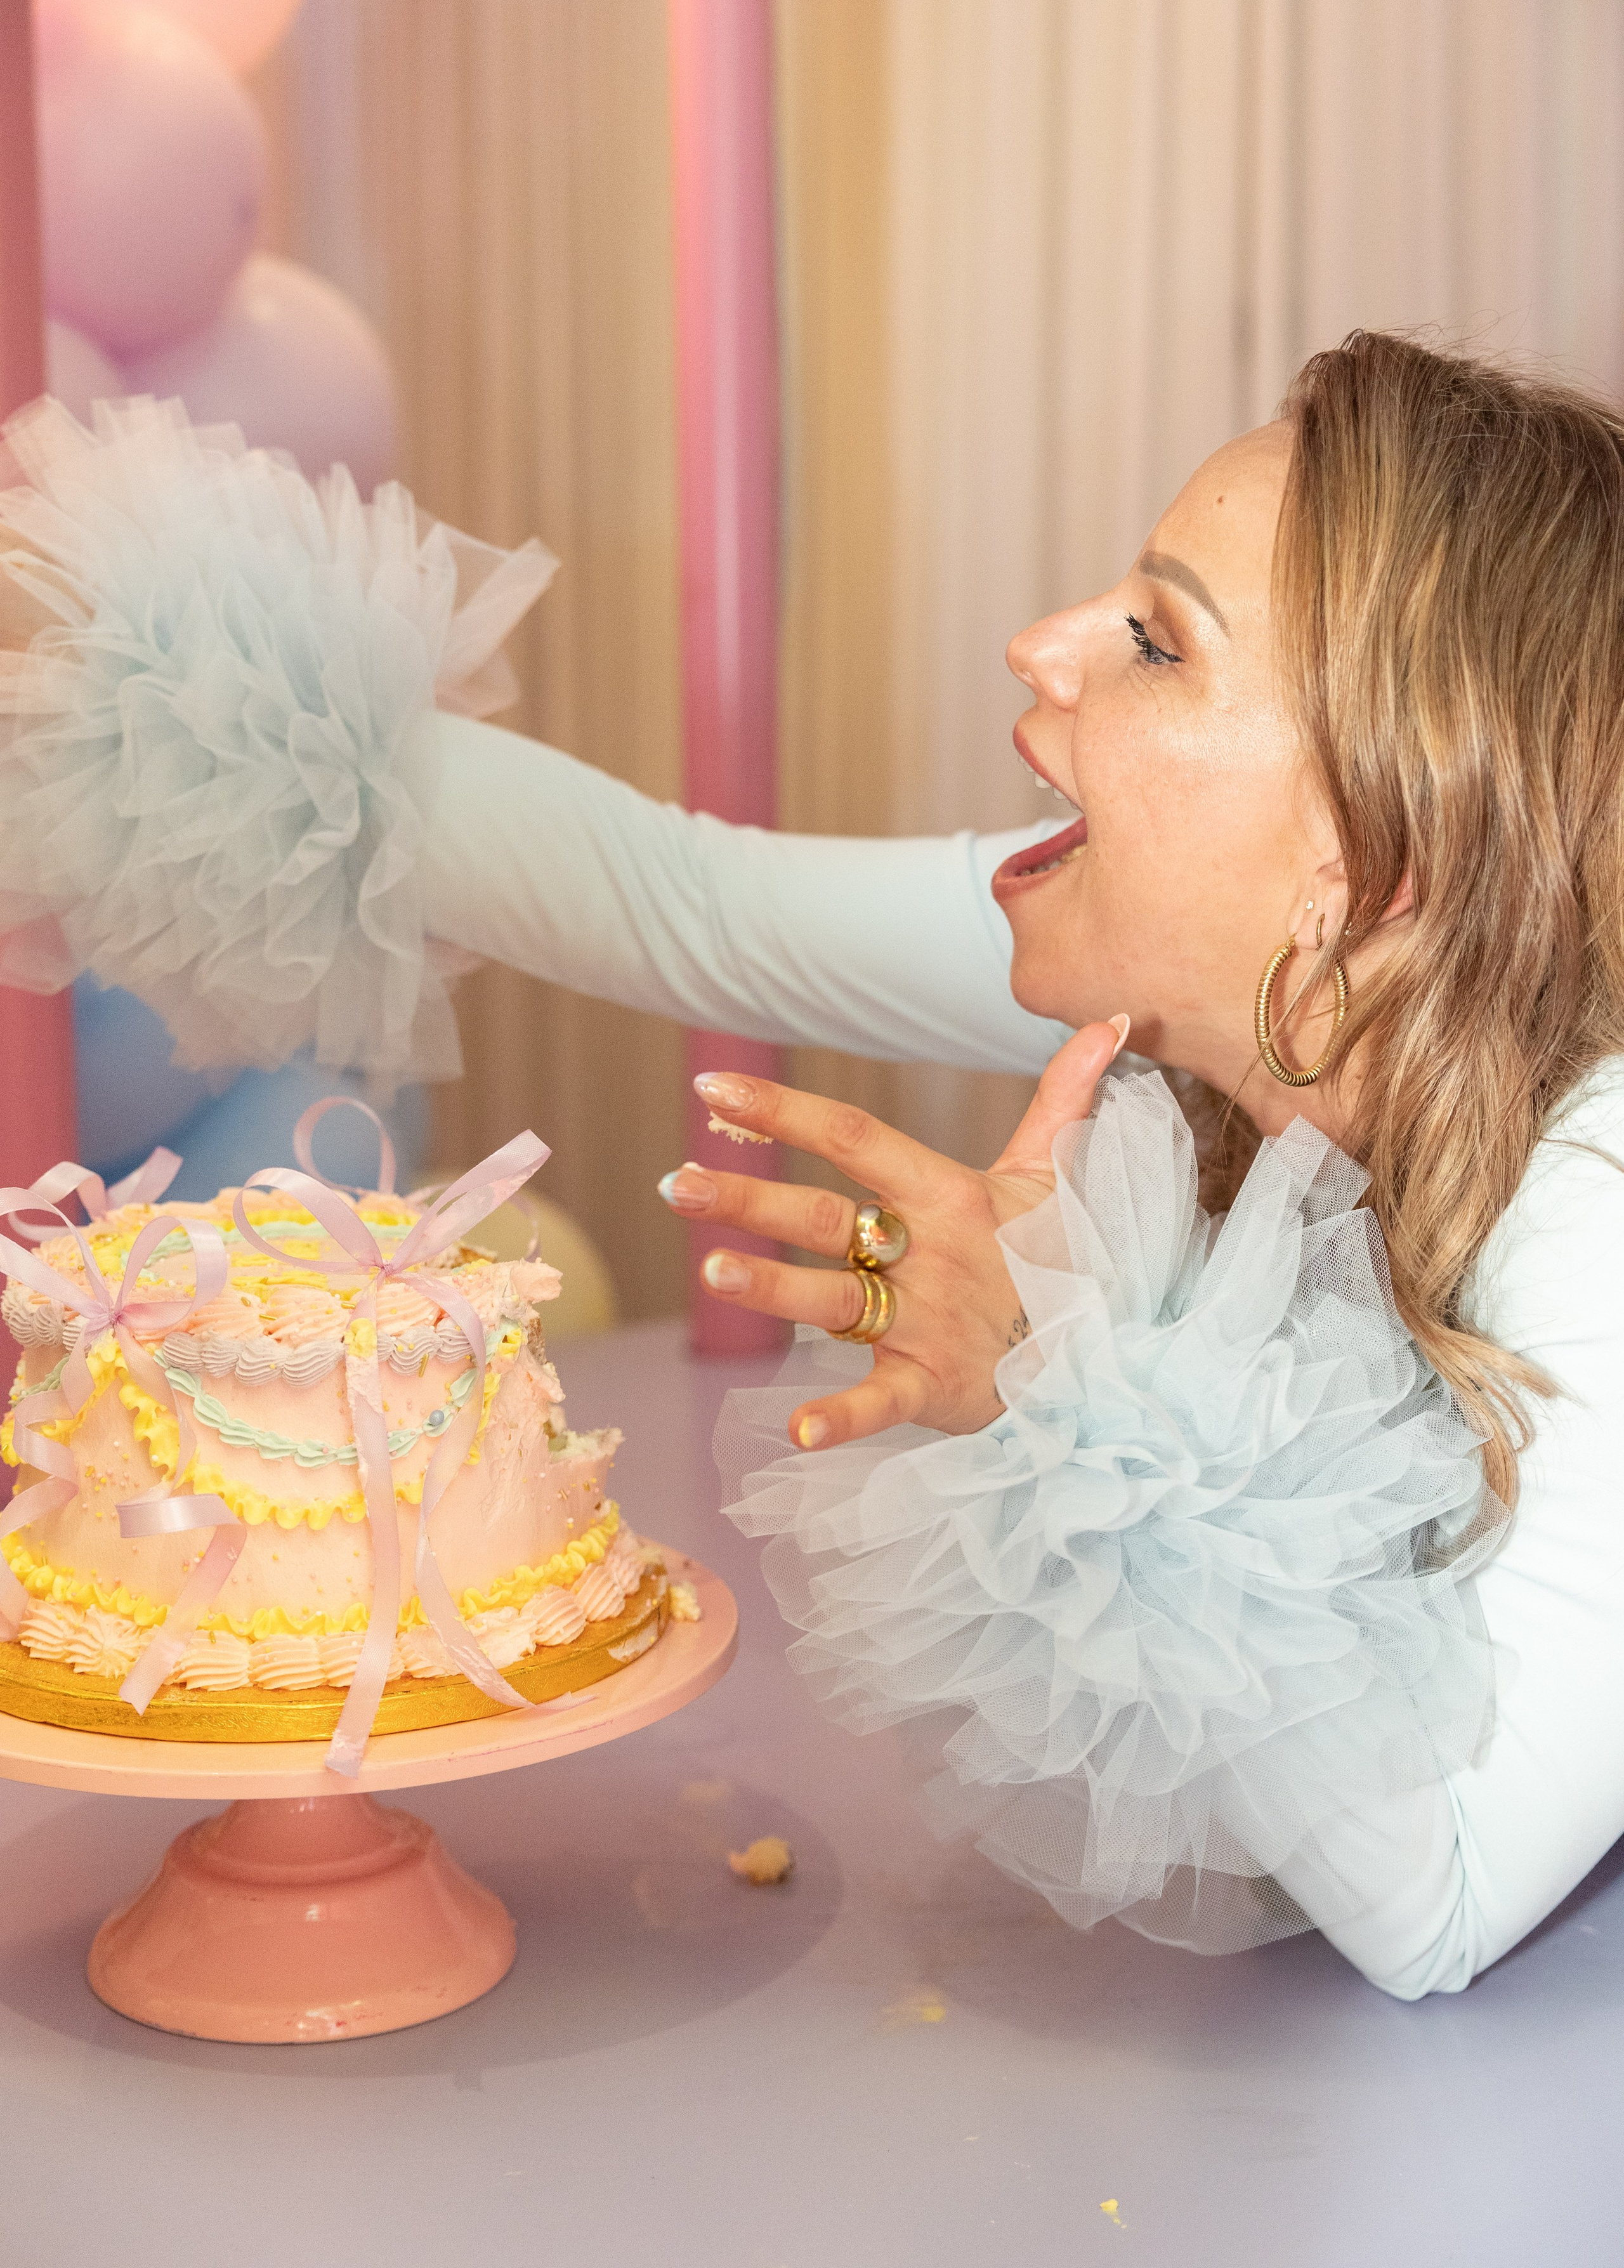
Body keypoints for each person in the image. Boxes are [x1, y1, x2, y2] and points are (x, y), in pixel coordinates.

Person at [4, 333, 1623, 1999]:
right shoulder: (1209, 959)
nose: (1043, 648)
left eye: (1156, 642)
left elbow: (1441, 1900)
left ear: (1375, 852)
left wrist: (1062, 1396)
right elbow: (704, 907)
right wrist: (141, 708)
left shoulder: (1607, 1195)